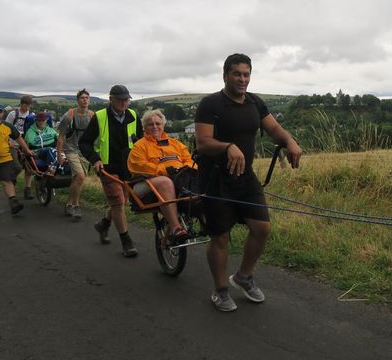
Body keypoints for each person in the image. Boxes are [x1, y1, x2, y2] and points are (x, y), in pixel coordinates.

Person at [195, 53, 302, 312]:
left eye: (246, 74)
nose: (242, 79)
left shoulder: (254, 102)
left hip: (246, 178)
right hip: (215, 180)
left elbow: (275, 129)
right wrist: (228, 146)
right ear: (225, 76)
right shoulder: (210, 104)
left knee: (262, 228)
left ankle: (243, 276)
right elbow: (203, 143)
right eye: (237, 74)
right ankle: (220, 290)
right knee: (220, 237)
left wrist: (289, 141)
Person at [79, 84, 143, 258]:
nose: (124, 103)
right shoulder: (100, 117)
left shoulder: (133, 115)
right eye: (120, 99)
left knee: (122, 201)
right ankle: (126, 241)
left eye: (126, 99)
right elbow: (84, 142)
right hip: (107, 167)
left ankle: (104, 224)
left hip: (128, 167)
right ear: (111, 99)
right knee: (117, 201)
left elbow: (141, 141)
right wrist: (95, 159)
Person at [127, 109, 197, 245]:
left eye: (158, 123)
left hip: (177, 178)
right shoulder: (139, 146)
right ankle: (176, 227)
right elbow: (139, 166)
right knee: (165, 182)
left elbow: (188, 159)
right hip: (145, 183)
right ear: (144, 127)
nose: (154, 127)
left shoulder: (175, 143)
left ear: (163, 125)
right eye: (150, 124)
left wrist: (186, 169)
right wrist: (165, 170)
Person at [57, 89, 93, 222]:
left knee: (77, 179)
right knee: (80, 176)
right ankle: (76, 205)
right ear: (78, 100)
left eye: (87, 98)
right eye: (82, 98)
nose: (85, 100)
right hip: (70, 148)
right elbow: (61, 137)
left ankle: (68, 204)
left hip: (84, 150)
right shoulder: (69, 116)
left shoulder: (91, 115)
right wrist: (60, 155)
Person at [5, 94, 35, 199]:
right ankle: (11, 182)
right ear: (21, 104)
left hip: (25, 143)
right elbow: (5, 129)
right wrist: (8, 141)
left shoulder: (31, 115)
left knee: (30, 167)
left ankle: (27, 190)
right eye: (26, 105)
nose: (27, 108)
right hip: (13, 143)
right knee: (16, 166)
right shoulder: (13, 114)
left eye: (29, 106)